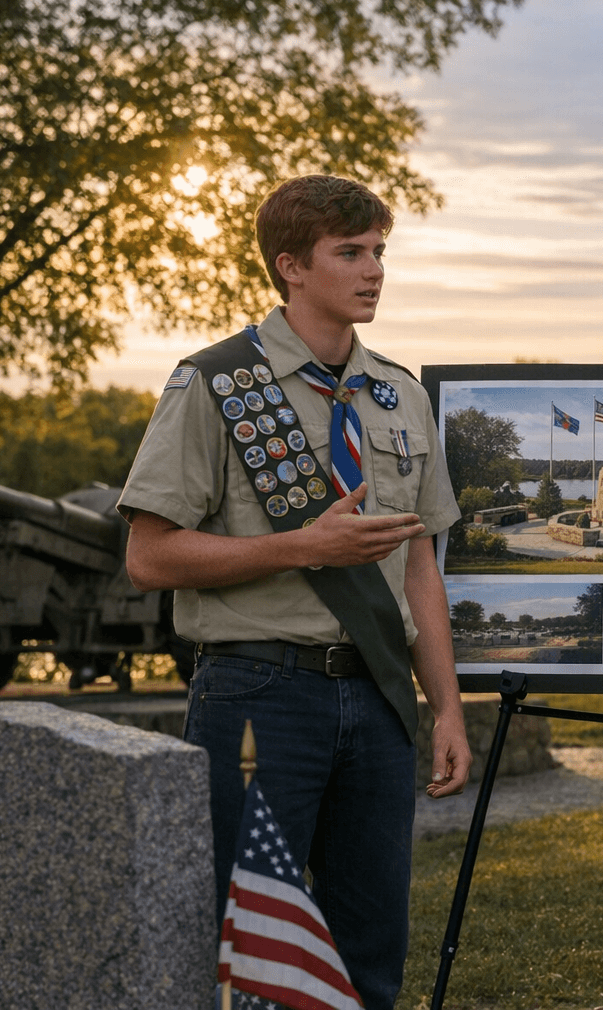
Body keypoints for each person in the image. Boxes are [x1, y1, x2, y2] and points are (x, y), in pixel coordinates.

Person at [119, 174, 470, 1008]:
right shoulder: (215, 384)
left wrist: (446, 707)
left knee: (370, 952)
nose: (374, 269)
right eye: (350, 253)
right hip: (258, 692)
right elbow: (149, 557)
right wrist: (299, 547)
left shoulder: (401, 395)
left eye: (379, 251)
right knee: (250, 949)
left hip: (379, 699)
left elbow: (422, 567)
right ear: (291, 267)